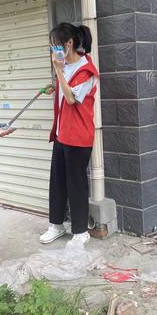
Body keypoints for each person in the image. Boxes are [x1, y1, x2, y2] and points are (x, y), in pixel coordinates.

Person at [40, 23, 99, 247]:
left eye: (55, 45)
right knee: (57, 182)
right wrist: (55, 85)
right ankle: (56, 225)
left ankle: (81, 232)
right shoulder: (66, 68)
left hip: (78, 137)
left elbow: (73, 98)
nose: (52, 50)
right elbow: (65, 93)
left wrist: (58, 71)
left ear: (69, 44)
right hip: (62, 134)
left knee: (76, 184)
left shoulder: (87, 71)